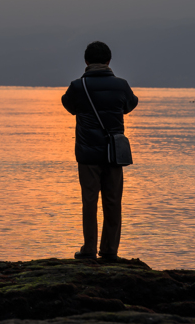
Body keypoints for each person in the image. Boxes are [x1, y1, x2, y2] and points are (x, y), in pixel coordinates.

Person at [61, 40, 139, 261]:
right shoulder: (122, 85)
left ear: (86, 61)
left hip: (87, 154)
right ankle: (110, 251)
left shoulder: (77, 87)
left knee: (90, 201)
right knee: (113, 201)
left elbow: (69, 106)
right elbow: (130, 105)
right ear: (109, 61)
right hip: (114, 153)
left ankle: (88, 249)